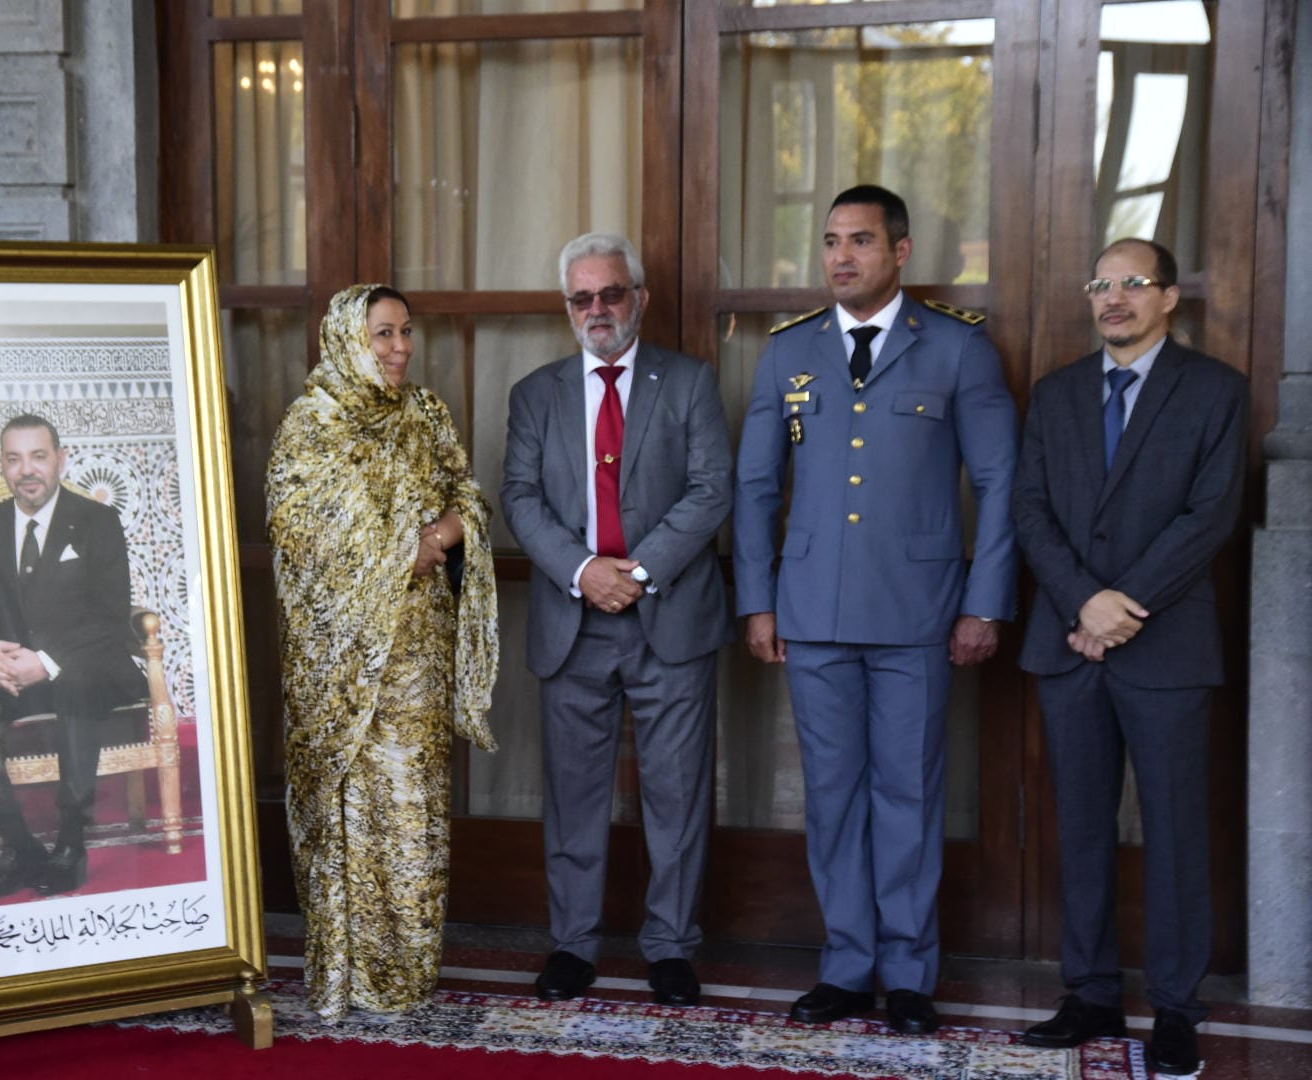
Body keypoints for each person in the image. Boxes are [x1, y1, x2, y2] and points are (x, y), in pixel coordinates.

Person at [733, 185, 1018, 1034]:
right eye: (829, 241)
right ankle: (847, 965)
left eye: (859, 240)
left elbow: (1000, 484)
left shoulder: (959, 351)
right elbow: (755, 488)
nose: (840, 257)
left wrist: (985, 603)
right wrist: (758, 601)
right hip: (812, 611)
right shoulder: (788, 353)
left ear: (901, 251)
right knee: (831, 796)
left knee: (908, 795)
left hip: (919, 615)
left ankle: (907, 972)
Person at [1012, 238, 1247, 1076]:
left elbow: (1210, 515)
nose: (1114, 298)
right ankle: (1092, 994)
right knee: (1081, 829)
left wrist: (1118, 607)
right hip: (1072, 647)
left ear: (1170, 298)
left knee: (1177, 833)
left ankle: (1177, 1008)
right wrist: (1084, 602)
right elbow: (1030, 511)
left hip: (1166, 648)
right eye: (1102, 285)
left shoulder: (1216, 390)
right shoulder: (1055, 395)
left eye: (1133, 284)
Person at [501, 232, 733, 1008]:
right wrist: (582, 571)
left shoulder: (691, 382)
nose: (597, 309)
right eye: (581, 298)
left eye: (611, 294)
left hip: (670, 617)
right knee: (573, 795)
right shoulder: (535, 394)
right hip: (573, 621)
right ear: (567, 307)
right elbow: (520, 500)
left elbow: (711, 491)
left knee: (676, 794)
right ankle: (573, 945)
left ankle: (670, 947)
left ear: (639, 298)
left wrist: (635, 572)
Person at [267, 283, 499, 1021]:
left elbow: (469, 494)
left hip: (419, 654)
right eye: (382, 335)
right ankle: (351, 973)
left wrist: (440, 537)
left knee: (415, 815)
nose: (399, 348)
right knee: (353, 814)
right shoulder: (312, 426)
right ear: (347, 338)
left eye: (404, 333)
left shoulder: (426, 413)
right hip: (341, 666)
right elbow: (302, 535)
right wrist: (409, 543)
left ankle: (406, 974)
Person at [0, 414, 147, 902]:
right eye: (14, 459)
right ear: (2, 466)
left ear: (60, 459)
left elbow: (113, 616)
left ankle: (70, 844)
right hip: (16, 673)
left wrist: (49, 661)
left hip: (92, 665)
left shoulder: (97, 520)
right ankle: (18, 846)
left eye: (37, 456)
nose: (26, 469)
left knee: (75, 684)